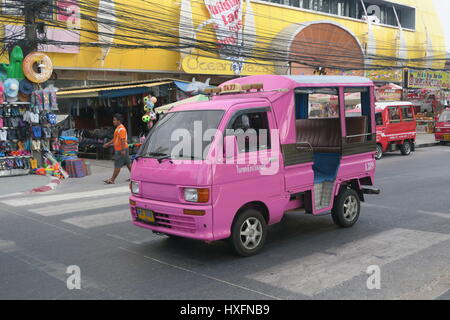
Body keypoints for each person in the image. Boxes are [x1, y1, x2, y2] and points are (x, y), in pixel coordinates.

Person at [103, 113, 131, 184]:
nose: (113, 121)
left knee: (117, 164)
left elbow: (122, 140)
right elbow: (115, 139)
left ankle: (112, 179)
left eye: (114, 120)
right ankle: (135, 177)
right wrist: (108, 144)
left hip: (121, 150)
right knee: (128, 164)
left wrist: (122, 150)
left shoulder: (121, 129)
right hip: (123, 149)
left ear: (119, 121)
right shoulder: (118, 129)